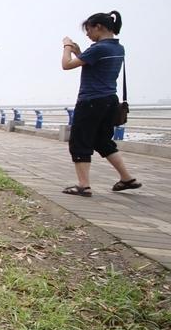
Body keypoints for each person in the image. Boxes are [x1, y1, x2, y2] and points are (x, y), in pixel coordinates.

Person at [60, 10, 140, 196]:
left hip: (91, 101)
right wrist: (80, 52)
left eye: (88, 30)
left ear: (99, 27)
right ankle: (127, 178)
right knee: (102, 141)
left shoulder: (99, 48)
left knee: (80, 141)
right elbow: (92, 64)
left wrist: (66, 47)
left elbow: (66, 65)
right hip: (109, 100)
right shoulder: (117, 48)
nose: (88, 34)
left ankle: (83, 185)